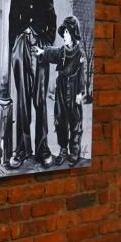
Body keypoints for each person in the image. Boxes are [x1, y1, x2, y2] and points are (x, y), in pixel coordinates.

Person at [7, 0, 56, 170]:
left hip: (39, 50)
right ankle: (21, 149)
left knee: (40, 100)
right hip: (20, 49)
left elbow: (52, 20)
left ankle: (43, 148)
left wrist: (44, 45)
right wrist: (15, 46)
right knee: (23, 101)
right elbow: (11, 20)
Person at [33, 16, 86, 166]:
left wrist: (79, 93)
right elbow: (53, 53)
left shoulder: (79, 54)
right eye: (64, 33)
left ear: (74, 35)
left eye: (67, 33)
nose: (64, 36)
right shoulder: (62, 52)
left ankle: (74, 151)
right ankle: (63, 149)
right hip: (62, 91)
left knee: (75, 121)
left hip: (74, 88)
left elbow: (81, 75)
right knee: (61, 120)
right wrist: (42, 51)